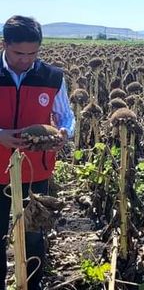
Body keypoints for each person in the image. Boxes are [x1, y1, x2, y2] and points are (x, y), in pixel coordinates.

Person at [0, 15, 75, 290]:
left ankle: (32, 285)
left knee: (33, 234)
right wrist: (1, 136)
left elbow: (66, 116)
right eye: (19, 53)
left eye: (33, 53)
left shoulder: (52, 77)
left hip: (36, 170)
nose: (26, 60)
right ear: (4, 44)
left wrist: (65, 133)